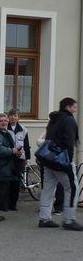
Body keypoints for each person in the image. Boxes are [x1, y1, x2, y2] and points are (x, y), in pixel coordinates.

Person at [38, 98, 83, 230]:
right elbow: (69, 141)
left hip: (48, 158)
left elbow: (49, 137)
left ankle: (44, 218)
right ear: (68, 107)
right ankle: (69, 220)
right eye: (74, 107)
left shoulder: (53, 119)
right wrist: (68, 161)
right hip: (61, 160)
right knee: (72, 188)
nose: (76, 109)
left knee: (48, 189)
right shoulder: (68, 120)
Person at [7, 108, 30, 211]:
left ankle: (13, 204)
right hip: (8, 157)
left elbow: (26, 145)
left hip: (19, 159)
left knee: (16, 181)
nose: (13, 117)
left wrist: (27, 158)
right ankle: (5, 203)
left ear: (18, 117)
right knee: (7, 181)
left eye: (15, 115)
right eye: (11, 115)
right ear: (8, 117)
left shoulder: (23, 129)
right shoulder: (5, 128)